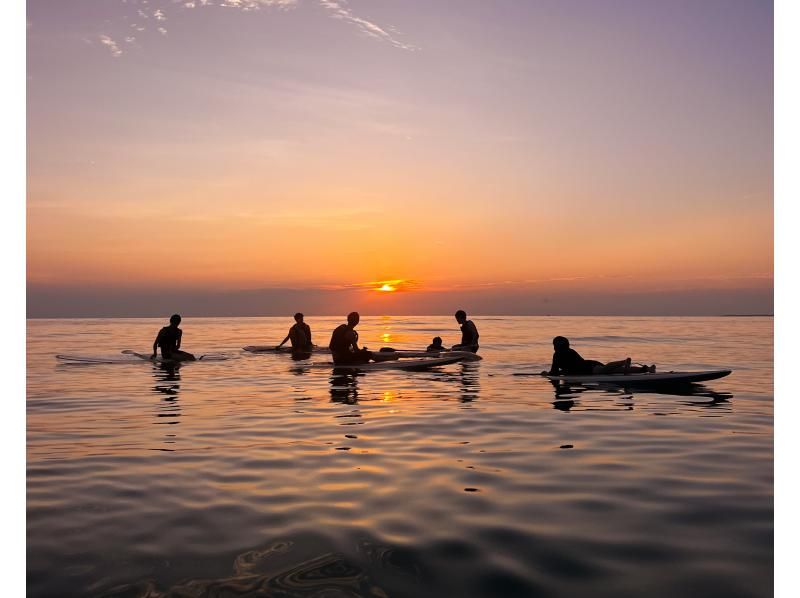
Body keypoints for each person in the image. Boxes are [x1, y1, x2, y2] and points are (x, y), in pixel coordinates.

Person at [542, 336, 654, 376]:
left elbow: (554, 372)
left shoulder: (557, 355)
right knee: (616, 371)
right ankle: (646, 369)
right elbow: (571, 367)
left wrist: (546, 374)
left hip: (589, 369)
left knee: (605, 370)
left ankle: (623, 361)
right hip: (590, 365)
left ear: (556, 346)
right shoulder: (571, 351)